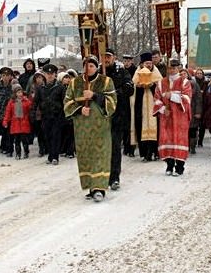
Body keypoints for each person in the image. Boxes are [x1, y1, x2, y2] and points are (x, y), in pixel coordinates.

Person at [64, 56, 117, 202]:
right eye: (86, 66)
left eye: (92, 66)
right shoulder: (75, 83)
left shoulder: (105, 81)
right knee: (86, 156)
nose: (89, 68)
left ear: (96, 67)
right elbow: (67, 102)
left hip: (101, 128)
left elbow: (112, 103)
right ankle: (91, 187)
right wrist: (80, 109)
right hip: (82, 128)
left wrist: (94, 96)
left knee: (100, 155)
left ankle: (99, 188)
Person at [154, 59, 193, 176]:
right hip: (166, 118)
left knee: (180, 140)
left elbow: (186, 99)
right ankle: (169, 165)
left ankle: (180, 166)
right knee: (167, 139)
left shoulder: (184, 82)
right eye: (170, 68)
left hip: (180, 117)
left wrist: (172, 96)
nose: (172, 70)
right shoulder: (161, 83)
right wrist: (162, 109)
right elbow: (156, 99)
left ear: (178, 68)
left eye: (174, 68)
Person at [103, 49, 134, 189]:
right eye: (104, 57)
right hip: (101, 118)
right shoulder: (98, 72)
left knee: (115, 147)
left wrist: (114, 94)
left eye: (108, 57)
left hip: (117, 116)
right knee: (102, 149)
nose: (106, 59)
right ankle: (101, 177)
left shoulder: (121, 72)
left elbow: (130, 88)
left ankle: (114, 177)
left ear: (114, 57)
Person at [132, 52, 162, 161]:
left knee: (156, 129)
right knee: (141, 127)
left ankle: (155, 152)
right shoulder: (138, 72)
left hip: (154, 107)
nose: (148, 65)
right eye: (146, 63)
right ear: (142, 63)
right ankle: (145, 154)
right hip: (141, 106)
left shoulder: (156, 72)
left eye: (150, 63)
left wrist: (152, 85)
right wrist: (139, 86)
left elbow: (161, 87)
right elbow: (133, 86)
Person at [34, 64, 66, 165]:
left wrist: (64, 114)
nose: (50, 76)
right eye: (48, 74)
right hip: (45, 116)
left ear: (55, 74)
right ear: (44, 75)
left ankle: (55, 156)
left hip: (57, 116)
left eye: (52, 74)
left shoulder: (60, 87)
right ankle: (50, 155)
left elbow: (64, 101)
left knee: (55, 136)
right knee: (47, 136)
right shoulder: (40, 88)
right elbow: (36, 102)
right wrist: (34, 114)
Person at [2, 85, 32, 159]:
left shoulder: (26, 101)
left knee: (24, 140)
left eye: (21, 92)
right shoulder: (11, 102)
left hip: (24, 123)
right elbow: (8, 113)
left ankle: (26, 152)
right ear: (15, 93)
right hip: (15, 124)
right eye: (18, 92)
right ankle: (18, 154)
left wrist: (28, 101)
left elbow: (30, 108)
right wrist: (5, 121)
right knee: (17, 141)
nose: (20, 94)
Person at [181, 68, 203, 155]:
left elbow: (198, 99)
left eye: (184, 74)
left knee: (192, 130)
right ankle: (185, 146)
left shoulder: (193, 84)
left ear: (187, 75)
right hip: (182, 111)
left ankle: (192, 146)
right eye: (181, 74)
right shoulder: (177, 84)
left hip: (192, 110)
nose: (182, 75)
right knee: (184, 130)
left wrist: (198, 112)